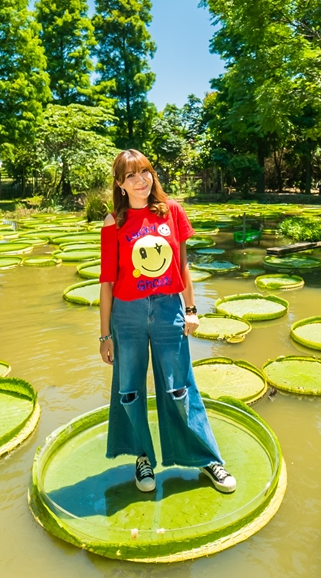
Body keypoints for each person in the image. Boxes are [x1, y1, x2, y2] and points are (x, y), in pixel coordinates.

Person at [98, 149, 236, 494]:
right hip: (126, 315)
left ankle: (206, 458)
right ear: (120, 184)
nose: (140, 180)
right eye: (130, 175)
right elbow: (107, 282)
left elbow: (183, 264)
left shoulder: (171, 211)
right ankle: (142, 457)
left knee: (179, 387)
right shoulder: (113, 222)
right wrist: (104, 335)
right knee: (128, 389)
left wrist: (191, 309)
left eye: (144, 172)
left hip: (167, 309)